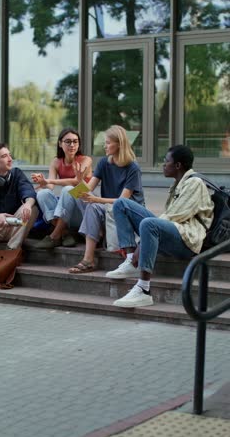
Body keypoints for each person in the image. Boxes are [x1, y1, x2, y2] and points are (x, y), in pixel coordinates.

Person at [106, 144, 214, 307]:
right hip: (176, 232)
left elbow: (175, 215)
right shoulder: (178, 184)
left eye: (166, 161)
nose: (163, 164)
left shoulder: (195, 183)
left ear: (178, 165)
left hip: (188, 242)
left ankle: (144, 289)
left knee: (149, 224)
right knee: (121, 204)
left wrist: (141, 245)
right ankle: (131, 261)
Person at [66, 124, 145, 273]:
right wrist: (79, 179)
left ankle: (93, 253)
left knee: (94, 204)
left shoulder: (133, 168)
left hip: (129, 211)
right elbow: (87, 190)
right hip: (108, 207)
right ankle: (91, 252)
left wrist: (96, 200)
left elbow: (123, 201)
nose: (105, 146)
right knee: (79, 196)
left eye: (108, 142)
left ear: (120, 144)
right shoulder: (104, 162)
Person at [31, 128, 92, 248]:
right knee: (42, 194)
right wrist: (43, 182)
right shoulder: (56, 162)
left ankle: (54, 236)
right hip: (66, 213)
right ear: (60, 143)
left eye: (75, 141)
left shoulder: (86, 160)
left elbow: (75, 181)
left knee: (68, 189)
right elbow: (50, 186)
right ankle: (65, 232)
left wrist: (49, 180)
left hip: (84, 209)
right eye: (68, 141)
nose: (72, 145)